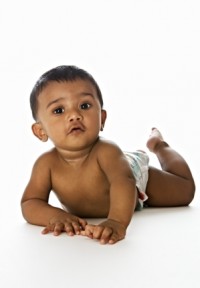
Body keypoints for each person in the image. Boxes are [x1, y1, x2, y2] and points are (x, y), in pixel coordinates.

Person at [21, 65, 195, 245]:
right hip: (119, 168)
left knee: (185, 192)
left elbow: (123, 182)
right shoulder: (46, 164)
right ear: (40, 131)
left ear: (102, 118)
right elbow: (30, 202)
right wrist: (55, 216)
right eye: (59, 110)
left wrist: (117, 222)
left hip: (132, 174)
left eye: (84, 105)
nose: (74, 115)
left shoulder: (106, 151)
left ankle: (159, 146)